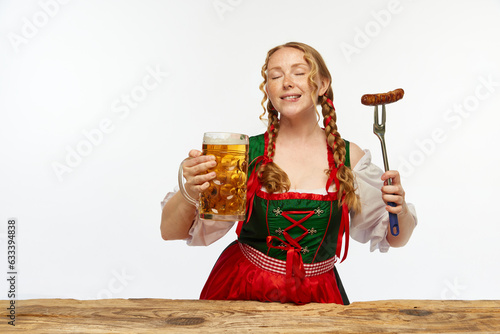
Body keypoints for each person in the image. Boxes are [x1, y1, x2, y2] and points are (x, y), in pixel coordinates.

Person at [160, 42, 417, 305]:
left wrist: (400, 210)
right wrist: (189, 192)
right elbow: (171, 232)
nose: (286, 82)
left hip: (318, 298)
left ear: (323, 84)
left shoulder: (350, 158)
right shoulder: (244, 154)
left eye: (299, 72)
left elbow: (395, 239)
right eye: (275, 75)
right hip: (243, 290)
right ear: (268, 89)